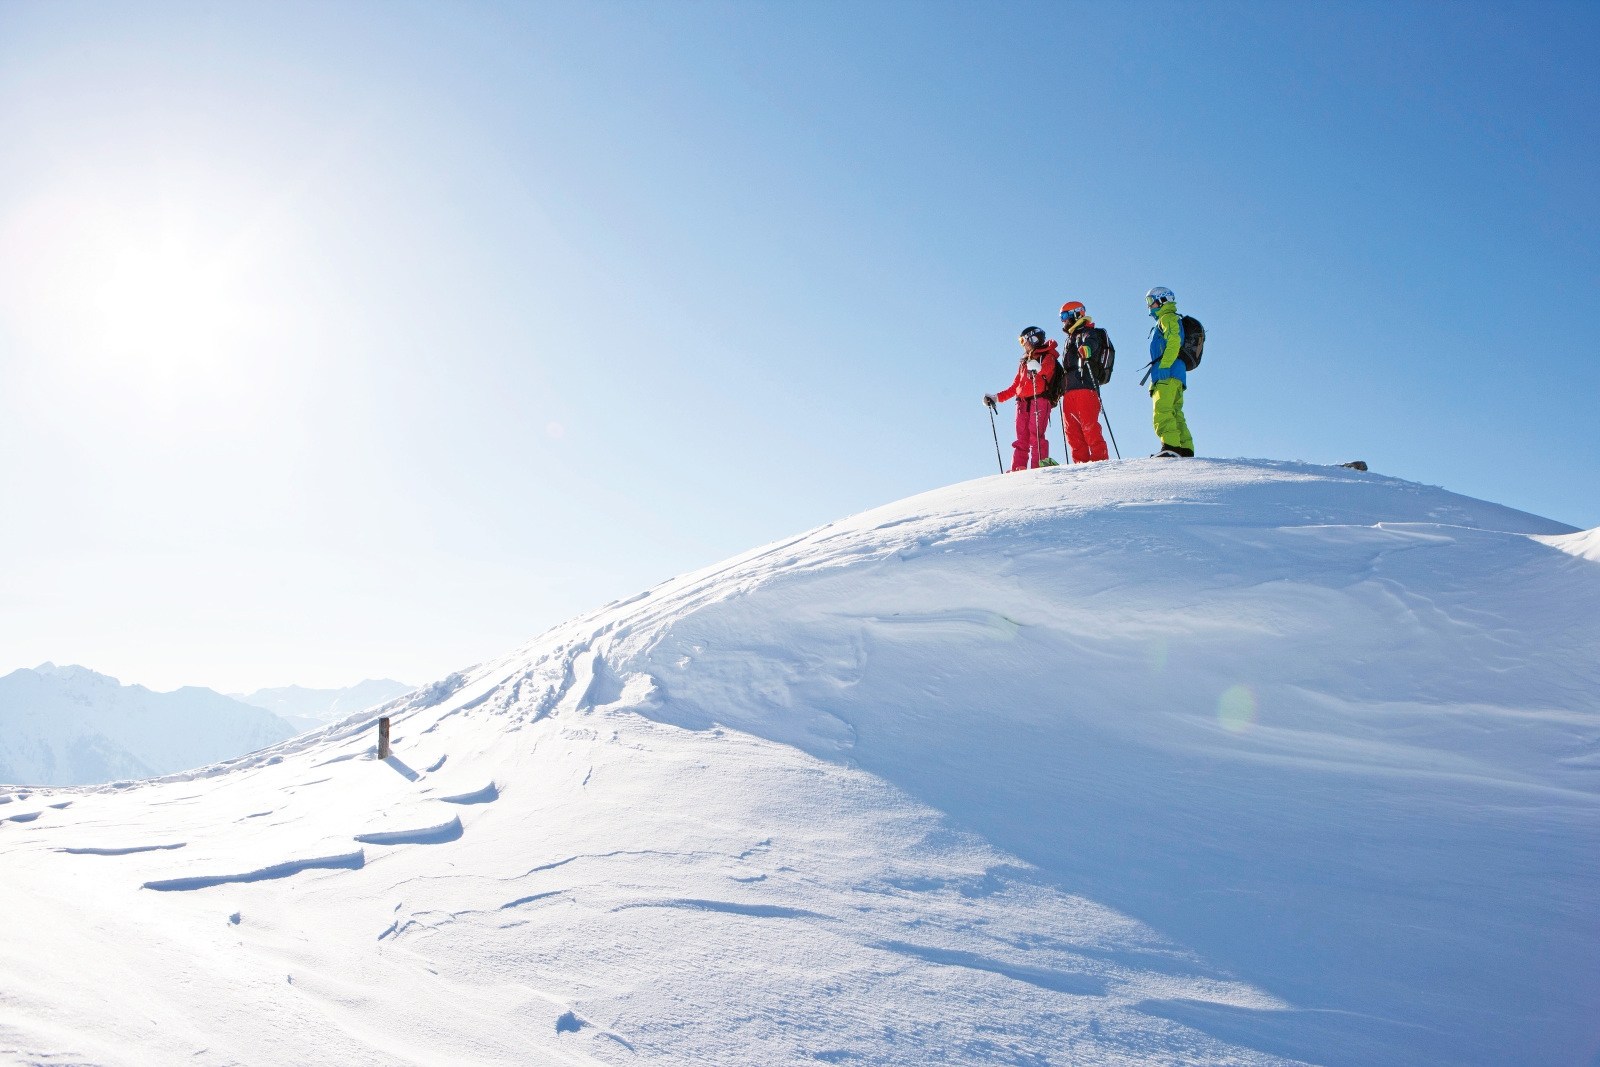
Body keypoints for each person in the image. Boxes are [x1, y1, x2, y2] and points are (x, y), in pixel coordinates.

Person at [984, 327, 1059, 471]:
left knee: (1036, 436)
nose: (1022, 344)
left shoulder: (1047, 356)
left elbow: (1048, 370)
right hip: (1022, 404)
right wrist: (996, 398)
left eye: (1023, 340)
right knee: (1021, 439)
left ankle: (1039, 467)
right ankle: (1018, 469)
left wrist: (1038, 368)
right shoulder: (1024, 363)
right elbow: (1015, 387)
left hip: (1040, 400)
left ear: (1033, 339)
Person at [1057, 302, 1110, 463]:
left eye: (1065, 316)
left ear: (1076, 314)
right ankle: (1081, 465)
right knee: (1072, 431)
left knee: (1089, 427)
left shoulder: (1087, 332)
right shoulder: (1069, 338)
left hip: (1086, 385)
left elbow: (1092, 343)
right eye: (1061, 317)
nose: (1063, 321)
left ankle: (1099, 461)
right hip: (1069, 389)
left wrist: (1086, 348)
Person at [1144, 286, 1194, 457]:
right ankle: (1185, 448)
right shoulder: (1171, 318)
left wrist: (1165, 365)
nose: (1149, 306)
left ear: (1162, 300)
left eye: (1151, 301)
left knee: (1162, 411)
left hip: (1167, 372)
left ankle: (1171, 448)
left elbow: (1174, 341)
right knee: (1175, 412)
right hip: (1177, 373)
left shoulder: (1167, 318)